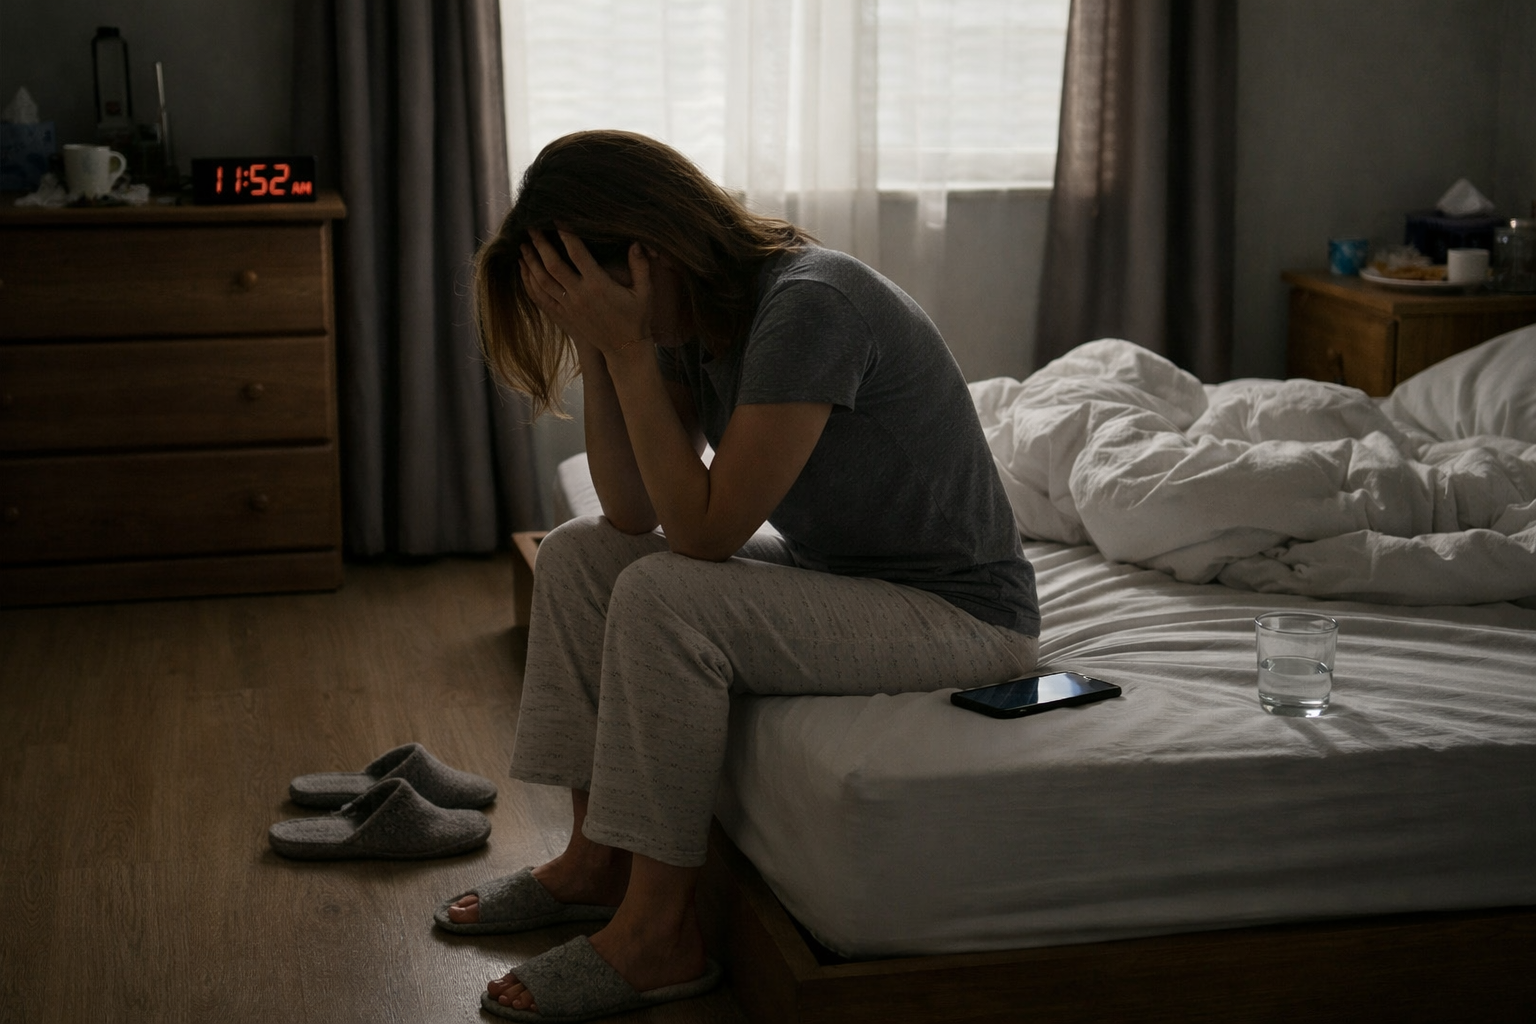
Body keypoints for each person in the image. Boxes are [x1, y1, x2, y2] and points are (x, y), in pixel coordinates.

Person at [446, 129, 1040, 1021]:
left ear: (645, 254)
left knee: (665, 594)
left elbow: (705, 532)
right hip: (841, 575)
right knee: (578, 555)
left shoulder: (810, 303)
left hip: (960, 613)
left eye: (582, 294)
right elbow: (630, 510)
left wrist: (632, 348)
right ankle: (593, 860)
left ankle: (659, 936)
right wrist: (608, 349)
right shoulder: (692, 312)